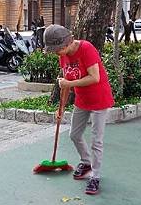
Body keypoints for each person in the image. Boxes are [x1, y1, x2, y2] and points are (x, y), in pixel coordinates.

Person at [43, 24, 114, 195]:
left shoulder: (86, 48)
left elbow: (95, 77)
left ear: (66, 44)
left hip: (99, 99)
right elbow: (66, 84)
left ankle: (95, 177)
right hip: (82, 100)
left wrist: (69, 83)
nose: (55, 53)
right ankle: (86, 162)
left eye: (56, 50)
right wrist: (61, 108)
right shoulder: (63, 56)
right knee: (74, 134)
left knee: (96, 141)